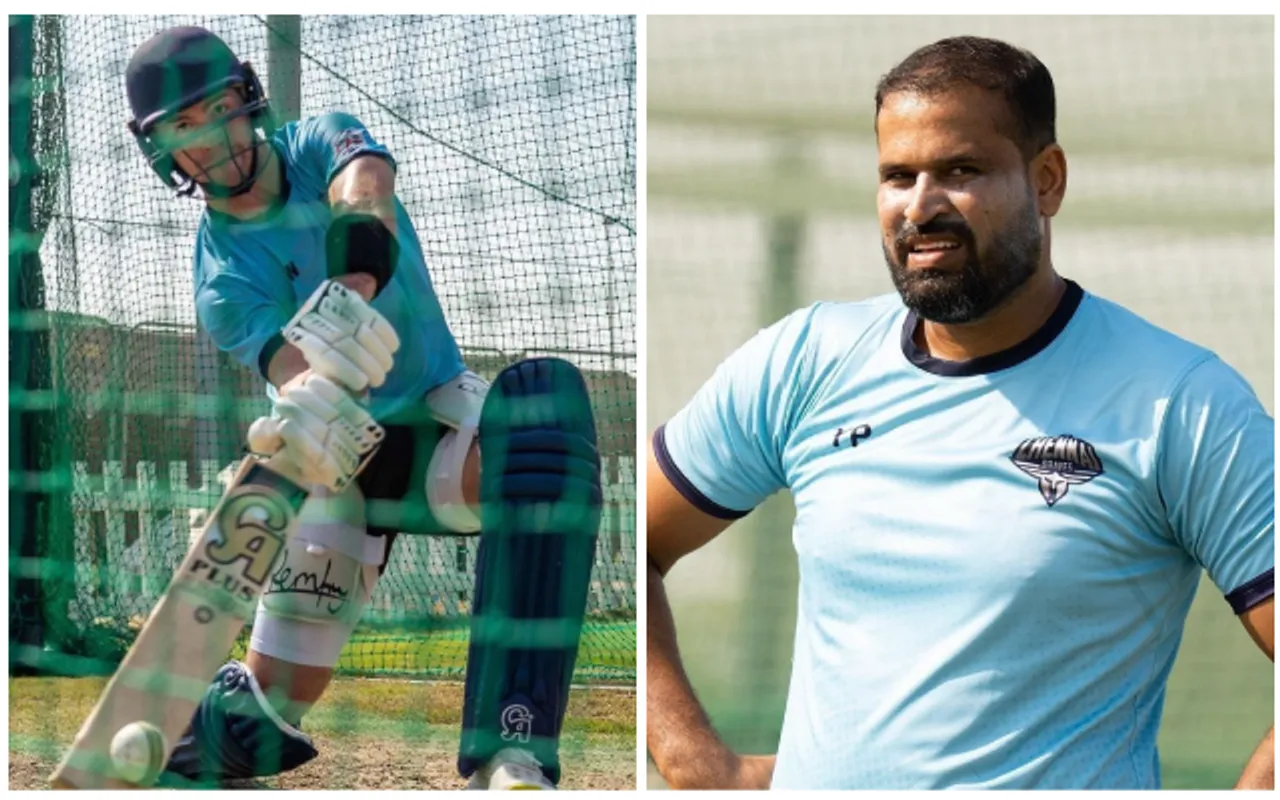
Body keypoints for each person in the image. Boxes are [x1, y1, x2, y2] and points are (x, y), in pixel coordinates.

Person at [646, 35, 1274, 790]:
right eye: (897, 175)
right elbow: (624, 536)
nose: (920, 205)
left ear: (1047, 180)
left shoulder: (1182, 401)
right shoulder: (805, 360)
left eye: (960, 171)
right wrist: (690, 758)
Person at [124, 26, 603, 790]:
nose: (211, 138)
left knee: (545, 417)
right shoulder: (218, 281)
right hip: (337, 461)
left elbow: (367, 186)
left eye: (219, 110)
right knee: (252, 734)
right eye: (184, 127)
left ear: (249, 102)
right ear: (161, 151)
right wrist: (304, 403)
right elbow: (287, 365)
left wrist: (350, 293)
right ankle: (190, 732)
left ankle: (512, 752)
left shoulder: (316, 143)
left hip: (444, 437)